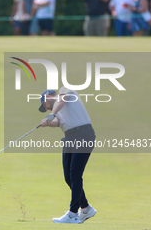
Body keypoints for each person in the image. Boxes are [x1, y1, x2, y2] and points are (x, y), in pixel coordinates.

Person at [38, 88, 96, 224]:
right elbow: (58, 122)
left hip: (83, 134)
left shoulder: (65, 92)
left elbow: (61, 100)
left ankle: (73, 214)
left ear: (48, 97)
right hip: (70, 137)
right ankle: (86, 208)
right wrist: (48, 123)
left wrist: (52, 113)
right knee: (68, 177)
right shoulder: (57, 112)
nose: (45, 109)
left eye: (44, 105)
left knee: (75, 175)